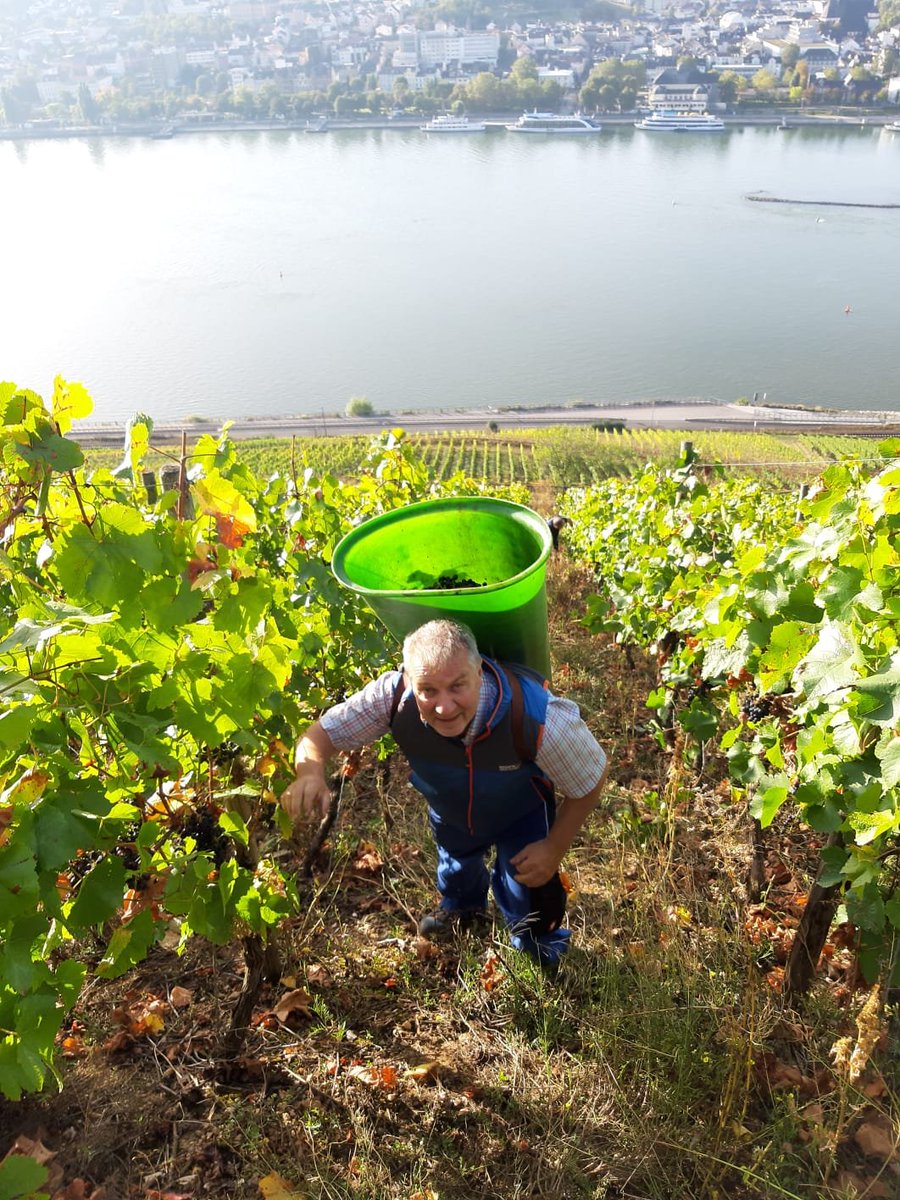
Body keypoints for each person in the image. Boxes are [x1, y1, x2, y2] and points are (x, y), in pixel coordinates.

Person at [280, 619, 608, 965]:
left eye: (457, 686)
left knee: (529, 893)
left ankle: (540, 947)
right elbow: (318, 737)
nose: (444, 707)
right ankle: (464, 912)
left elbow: (591, 777)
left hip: (521, 814)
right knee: (456, 869)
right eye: (428, 690)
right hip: (450, 811)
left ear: (479, 671)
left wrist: (553, 848)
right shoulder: (392, 698)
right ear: (408, 680)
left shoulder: (536, 716)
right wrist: (310, 773)